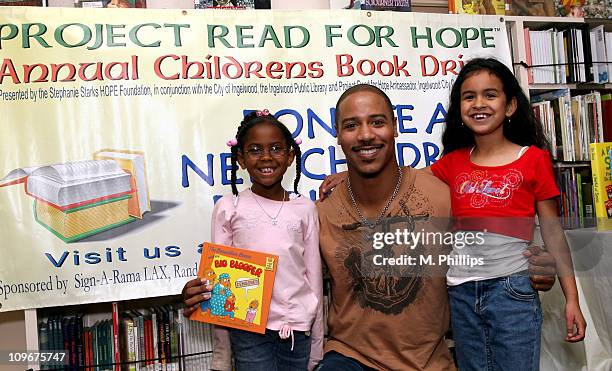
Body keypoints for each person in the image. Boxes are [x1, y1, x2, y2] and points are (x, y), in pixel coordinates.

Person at [185, 86, 558, 370]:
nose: (365, 135)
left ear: (395, 127)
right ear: (338, 136)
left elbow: (499, 230)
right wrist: (207, 293)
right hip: (350, 357)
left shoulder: (442, 194)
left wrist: (535, 261)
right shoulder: (319, 212)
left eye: (376, 122)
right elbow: (276, 265)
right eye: (352, 125)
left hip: (428, 362)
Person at [430, 57, 585, 370]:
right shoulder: (450, 163)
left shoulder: (533, 159)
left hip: (512, 291)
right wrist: (347, 177)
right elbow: (403, 183)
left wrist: (572, 299)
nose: (478, 103)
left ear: (510, 106)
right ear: (459, 108)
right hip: (460, 293)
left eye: (490, 95)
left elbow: (554, 234)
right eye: (468, 96)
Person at [183, 110, 324, 371]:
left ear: (290, 156)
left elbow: (314, 278)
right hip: (248, 330)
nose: (267, 157)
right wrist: (222, 356)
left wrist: (317, 346)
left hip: (297, 329)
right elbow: (219, 279)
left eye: (276, 149)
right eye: (255, 150)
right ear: (241, 159)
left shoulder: (305, 208)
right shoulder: (229, 207)